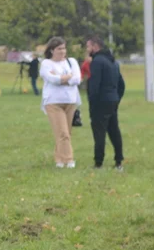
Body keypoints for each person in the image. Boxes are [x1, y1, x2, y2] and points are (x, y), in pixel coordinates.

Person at [39, 37, 82, 169]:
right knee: (62, 132)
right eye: (59, 49)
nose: (62, 51)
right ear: (52, 50)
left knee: (66, 132)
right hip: (53, 102)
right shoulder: (46, 63)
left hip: (70, 100)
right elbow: (52, 79)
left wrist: (63, 78)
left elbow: (77, 79)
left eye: (64, 48)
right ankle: (69, 160)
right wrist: (67, 77)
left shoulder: (71, 61)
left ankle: (59, 159)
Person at [85, 35, 125, 170]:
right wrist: (116, 98)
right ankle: (119, 160)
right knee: (114, 130)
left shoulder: (97, 62)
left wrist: (92, 101)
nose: (87, 50)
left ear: (95, 46)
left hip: (100, 101)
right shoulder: (113, 62)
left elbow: (94, 85)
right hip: (112, 100)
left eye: (88, 47)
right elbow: (121, 84)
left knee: (99, 132)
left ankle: (98, 162)